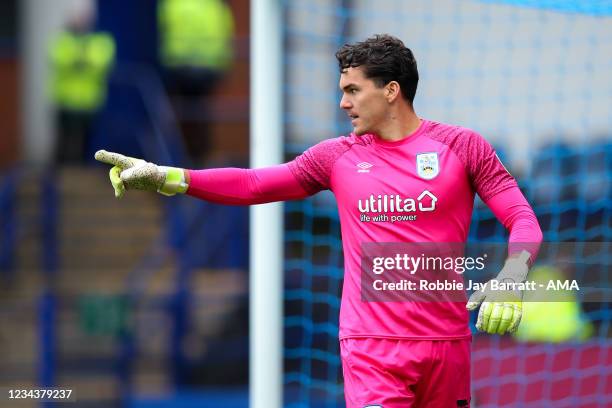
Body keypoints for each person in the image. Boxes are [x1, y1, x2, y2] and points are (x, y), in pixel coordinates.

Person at [95, 34, 543, 408]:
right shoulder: (336, 157)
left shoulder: (462, 147)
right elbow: (255, 183)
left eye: (352, 90)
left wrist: (513, 274)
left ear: (390, 91)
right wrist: (166, 177)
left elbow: (521, 217)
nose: (342, 102)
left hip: (447, 344)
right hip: (371, 345)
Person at [157, 0, 235, 163]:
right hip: (208, 68)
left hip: (179, 66)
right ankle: (200, 157)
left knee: (180, 116)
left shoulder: (173, 5)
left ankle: (179, 158)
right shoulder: (215, 5)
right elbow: (226, 34)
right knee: (201, 117)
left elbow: (161, 30)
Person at [49, 0, 115, 164]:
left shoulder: (101, 41)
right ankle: (60, 178)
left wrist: (77, 59)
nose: (80, 20)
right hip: (65, 102)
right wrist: (84, 59)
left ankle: (82, 178)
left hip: (89, 103)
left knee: (87, 147)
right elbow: (58, 59)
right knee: (63, 145)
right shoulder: (62, 40)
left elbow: (102, 63)